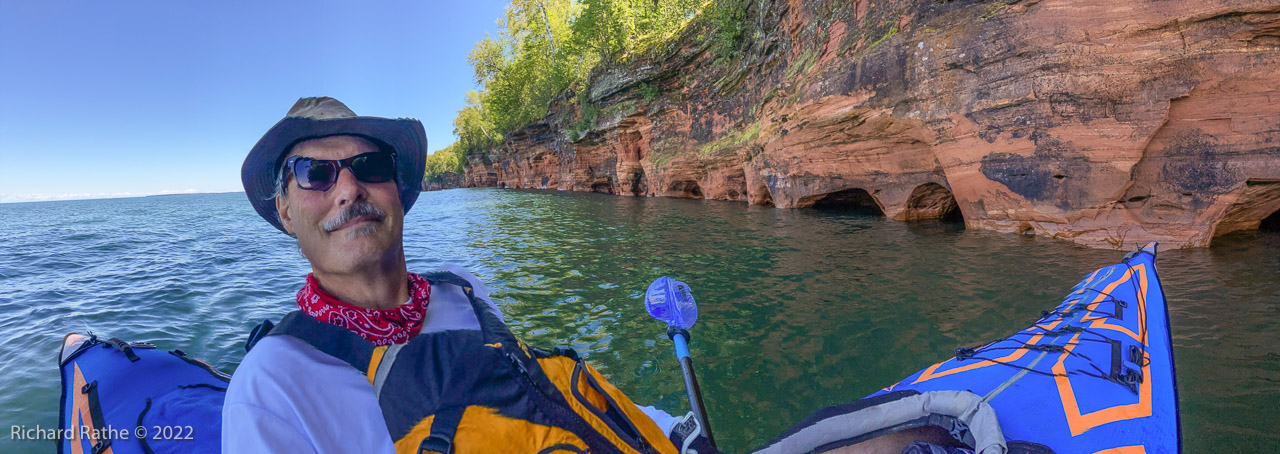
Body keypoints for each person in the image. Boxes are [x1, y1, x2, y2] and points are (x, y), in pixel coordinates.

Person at [223, 97, 686, 453]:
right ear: (284, 210)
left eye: (369, 165)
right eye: (314, 173)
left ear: (397, 192)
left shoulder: (462, 290)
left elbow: (540, 402)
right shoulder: (271, 386)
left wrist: (675, 431)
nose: (348, 188)